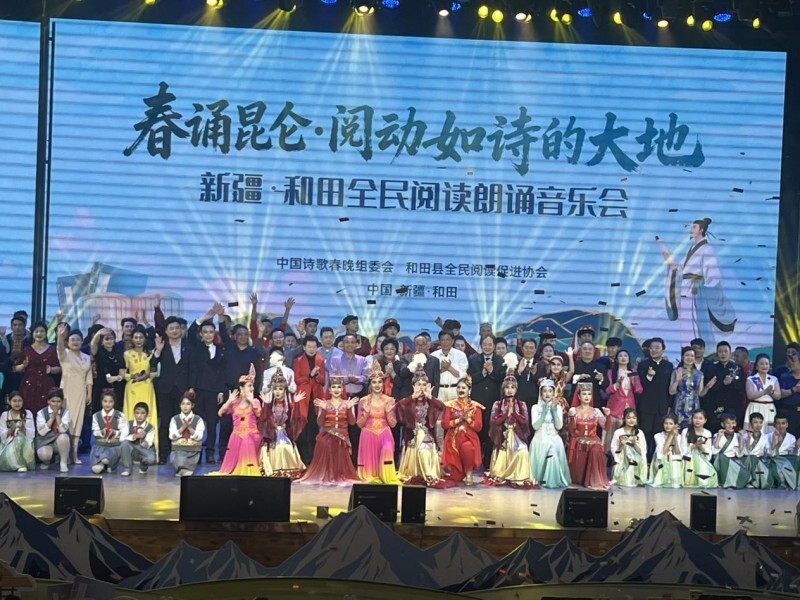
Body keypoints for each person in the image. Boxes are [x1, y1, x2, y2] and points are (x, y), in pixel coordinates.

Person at [661, 217, 737, 345]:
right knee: (686, 324)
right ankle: (686, 349)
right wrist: (665, 252)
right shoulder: (691, 248)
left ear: (701, 230)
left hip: (696, 290)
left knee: (697, 321)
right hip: (686, 288)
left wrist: (703, 287)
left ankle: (702, 348)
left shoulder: (707, 249)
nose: (691, 229)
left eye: (694, 227)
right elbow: (679, 268)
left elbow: (713, 275)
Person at [299, 375, 360, 485]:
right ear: (330, 390)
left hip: (342, 437)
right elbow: (319, 422)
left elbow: (352, 422)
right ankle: (327, 474)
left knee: (339, 445)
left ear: (342, 389)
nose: (336, 389)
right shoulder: (324, 403)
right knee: (325, 443)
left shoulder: (347, 403)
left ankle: (338, 475)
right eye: (334, 387)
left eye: (339, 387)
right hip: (327, 435)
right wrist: (324, 409)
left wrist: (350, 408)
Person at [219, 314, 262, 463]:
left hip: (246, 394)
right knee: (226, 424)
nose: (243, 337)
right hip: (230, 391)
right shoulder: (229, 349)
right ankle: (224, 455)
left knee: (246, 423)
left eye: (245, 334)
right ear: (234, 336)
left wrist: (253, 393)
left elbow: (257, 374)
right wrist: (220, 318)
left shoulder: (253, 352)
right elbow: (223, 335)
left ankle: (244, 455)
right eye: (240, 334)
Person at [188, 306, 227, 465]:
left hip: (213, 391)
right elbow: (190, 332)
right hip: (198, 390)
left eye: (211, 332)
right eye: (205, 332)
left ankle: (210, 453)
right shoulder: (196, 347)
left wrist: (221, 391)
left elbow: (222, 372)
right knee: (197, 423)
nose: (208, 335)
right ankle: (195, 453)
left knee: (212, 423)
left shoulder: (220, 349)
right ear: (201, 334)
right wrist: (205, 317)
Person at [151, 316, 191, 463]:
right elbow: (152, 364)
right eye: (171, 329)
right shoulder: (162, 345)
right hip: (165, 390)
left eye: (177, 328)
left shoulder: (188, 346)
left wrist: (191, 387)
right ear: (166, 332)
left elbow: (192, 368)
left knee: (182, 422)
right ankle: (163, 454)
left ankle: (180, 452)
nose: (175, 331)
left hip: (183, 390)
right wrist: (158, 351)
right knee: (165, 422)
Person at [484, 373, 534, 488]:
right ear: (503, 389)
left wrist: (514, 413)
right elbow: (493, 422)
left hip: (517, 435)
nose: (510, 390)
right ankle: (503, 474)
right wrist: (506, 414)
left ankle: (519, 476)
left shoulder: (522, 404)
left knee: (523, 452)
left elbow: (525, 422)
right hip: (503, 436)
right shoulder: (497, 404)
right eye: (507, 387)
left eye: (512, 387)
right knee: (503, 451)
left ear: (516, 390)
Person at [396, 369, 444, 486]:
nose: (421, 388)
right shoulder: (408, 402)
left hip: (427, 435)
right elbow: (398, 408)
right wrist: (412, 397)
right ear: (413, 386)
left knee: (424, 451)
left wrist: (431, 397)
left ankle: (429, 475)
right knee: (418, 443)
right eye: (419, 384)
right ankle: (422, 474)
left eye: (424, 385)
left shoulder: (430, 402)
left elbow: (442, 407)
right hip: (412, 436)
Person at [212, 369, 262, 476]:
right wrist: (229, 401)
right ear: (241, 388)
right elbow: (220, 413)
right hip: (237, 434)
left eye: (252, 386)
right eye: (249, 386)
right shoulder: (234, 403)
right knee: (236, 437)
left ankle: (248, 471)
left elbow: (259, 415)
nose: (252, 388)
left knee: (247, 440)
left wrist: (252, 401)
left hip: (251, 434)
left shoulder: (255, 401)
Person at [356, 362, 401, 484]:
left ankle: (386, 475)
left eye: (380, 382)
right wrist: (366, 413)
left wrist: (388, 412)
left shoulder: (389, 400)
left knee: (387, 450)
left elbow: (393, 425)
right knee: (370, 474)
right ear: (370, 384)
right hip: (368, 435)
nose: (377, 385)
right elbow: (359, 424)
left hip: (385, 434)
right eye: (374, 382)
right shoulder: (363, 400)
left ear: (383, 384)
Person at [55, 323, 93, 465]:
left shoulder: (86, 357)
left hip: (81, 393)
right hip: (67, 392)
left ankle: (74, 454)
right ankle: (64, 454)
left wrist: (89, 393)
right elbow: (59, 348)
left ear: (82, 341)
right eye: (72, 340)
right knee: (67, 421)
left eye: (78, 339)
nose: (75, 342)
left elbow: (89, 377)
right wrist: (60, 336)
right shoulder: (65, 354)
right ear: (68, 342)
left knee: (78, 423)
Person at [260, 369, 306, 478]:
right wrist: (266, 406)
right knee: (276, 447)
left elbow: (295, 420)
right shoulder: (269, 404)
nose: (277, 392)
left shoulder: (288, 405)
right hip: (272, 434)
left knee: (285, 447)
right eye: (275, 389)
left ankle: (288, 469)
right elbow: (263, 420)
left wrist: (296, 404)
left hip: (285, 434)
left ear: (285, 390)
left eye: (280, 389)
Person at [467, 335, 504, 467]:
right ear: (481, 345)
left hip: (493, 401)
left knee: (490, 431)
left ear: (494, 346)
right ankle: (475, 462)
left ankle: (488, 463)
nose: (487, 347)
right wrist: (483, 372)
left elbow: (502, 378)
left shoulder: (500, 360)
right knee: (477, 430)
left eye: (490, 344)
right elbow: (471, 378)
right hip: (478, 400)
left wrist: (492, 371)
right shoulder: (473, 359)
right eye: (485, 344)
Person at [567, 382, 611, 490]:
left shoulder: (596, 411)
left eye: (589, 394)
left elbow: (606, 427)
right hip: (579, 442)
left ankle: (594, 480)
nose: (587, 396)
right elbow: (572, 431)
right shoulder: (574, 411)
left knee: (596, 449)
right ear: (579, 396)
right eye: (584, 394)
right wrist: (572, 418)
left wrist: (608, 415)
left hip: (593, 440)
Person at [122, 325, 158, 455]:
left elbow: (156, 372)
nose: (138, 340)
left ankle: (149, 450)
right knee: (132, 416)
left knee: (148, 416)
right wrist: (132, 376)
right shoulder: (126, 354)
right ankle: (130, 452)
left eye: (141, 337)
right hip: (132, 389)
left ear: (145, 339)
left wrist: (147, 376)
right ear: (132, 339)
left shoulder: (150, 354)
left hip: (147, 388)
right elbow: (123, 374)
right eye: (136, 337)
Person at [441, 377, 483, 485]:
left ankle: (469, 473)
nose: (461, 390)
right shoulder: (450, 405)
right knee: (456, 478)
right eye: (458, 387)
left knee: (467, 447)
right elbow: (444, 424)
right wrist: (458, 420)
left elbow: (478, 427)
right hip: (453, 440)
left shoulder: (475, 407)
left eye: (463, 388)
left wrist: (468, 419)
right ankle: (459, 471)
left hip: (469, 438)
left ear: (469, 390)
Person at [529, 379, 571, 488]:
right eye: (544, 391)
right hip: (540, 440)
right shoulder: (535, 408)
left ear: (553, 393)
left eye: (550, 391)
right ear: (541, 393)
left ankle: (551, 481)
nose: (547, 394)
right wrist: (543, 413)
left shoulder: (558, 407)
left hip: (554, 439)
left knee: (552, 454)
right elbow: (535, 426)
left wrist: (554, 412)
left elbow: (559, 426)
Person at [637, 337, 673, 460]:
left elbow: (669, 388)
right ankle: (644, 460)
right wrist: (649, 376)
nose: (654, 350)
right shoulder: (643, 364)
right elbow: (642, 385)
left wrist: (669, 405)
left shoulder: (668, 365)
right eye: (652, 348)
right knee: (645, 434)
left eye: (657, 348)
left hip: (662, 407)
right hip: (646, 407)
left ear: (663, 350)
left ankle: (656, 461)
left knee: (658, 436)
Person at [15, 320, 60, 415]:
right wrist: (23, 366)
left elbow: (59, 368)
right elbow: (15, 368)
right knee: (28, 412)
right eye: (36, 331)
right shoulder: (26, 349)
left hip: (46, 385)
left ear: (46, 333)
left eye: (42, 331)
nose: (39, 334)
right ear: (32, 334)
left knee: (46, 412)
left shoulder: (52, 350)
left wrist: (52, 369)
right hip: (28, 386)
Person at [293, 335, 325, 464]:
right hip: (303, 397)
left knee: (313, 427)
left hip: (315, 397)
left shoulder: (320, 360)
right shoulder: (298, 360)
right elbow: (297, 379)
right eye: (309, 346)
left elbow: (322, 380)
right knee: (302, 427)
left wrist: (316, 376)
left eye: (314, 347)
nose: (311, 349)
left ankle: (312, 459)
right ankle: (302, 458)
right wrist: (309, 375)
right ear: (304, 347)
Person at [702, 341, 746, 433]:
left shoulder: (737, 368)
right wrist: (723, 383)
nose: (723, 354)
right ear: (717, 353)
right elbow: (708, 387)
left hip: (733, 405)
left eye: (726, 351)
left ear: (730, 353)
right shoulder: (710, 368)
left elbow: (742, 387)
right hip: (715, 405)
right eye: (720, 351)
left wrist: (732, 382)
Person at [604, 350, 642, 453]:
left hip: (629, 407)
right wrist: (616, 385)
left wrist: (634, 381)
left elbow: (639, 390)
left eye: (625, 355)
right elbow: (607, 390)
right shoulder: (612, 372)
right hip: (615, 407)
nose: (623, 358)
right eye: (620, 356)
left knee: (629, 432)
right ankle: (611, 455)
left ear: (629, 359)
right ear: (617, 359)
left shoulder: (633, 372)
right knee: (612, 434)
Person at [89, 390, 128, 475]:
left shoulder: (120, 415)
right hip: (100, 445)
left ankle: (106, 463)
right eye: (105, 401)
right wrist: (101, 432)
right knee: (96, 469)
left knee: (108, 456)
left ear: (114, 402)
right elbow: (95, 432)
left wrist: (114, 432)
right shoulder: (96, 416)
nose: (107, 404)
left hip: (114, 446)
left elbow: (124, 432)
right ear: (101, 402)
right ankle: (102, 464)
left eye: (110, 401)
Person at [168, 391, 206, 477]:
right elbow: (171, 436)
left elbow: (199, 436)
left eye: (188, 404)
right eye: (183, 404)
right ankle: (182, 469)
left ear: (192, 405)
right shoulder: (174, 419)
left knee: (183, 469)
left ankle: (183, 470)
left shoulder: (198, 419)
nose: (185, 406)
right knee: (180, 460)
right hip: (178, 449)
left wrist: (189, 427)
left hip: (192, 450)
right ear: (180, 405)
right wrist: (182, 428)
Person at [609, 408, 648, 487]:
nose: (631, 420)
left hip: (636, 458)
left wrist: (635, 444)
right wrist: (622, 445)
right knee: (626, 450)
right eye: (629, 418)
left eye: (634, 418)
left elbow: (643, 451)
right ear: (624, 419)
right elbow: (614, 450)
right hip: (622, 459)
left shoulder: (640, 433)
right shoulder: (618, 432)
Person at [89, 328, 125, 412]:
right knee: (99, 412)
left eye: (111, 339)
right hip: (101, 386)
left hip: (116, 387)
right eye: (106, 339)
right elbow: (93, 344)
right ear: (102, 342)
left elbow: (122, 371)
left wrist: (117, 378)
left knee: (115, 412)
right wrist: (98, 333)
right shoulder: (98, 352)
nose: (109, 341)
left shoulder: (119, 354)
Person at [35, 388, 70, 472]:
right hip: (45, 440)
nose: (56, 404)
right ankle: (46, 462)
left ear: (62, 402)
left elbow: (63, 430)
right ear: (48, 401)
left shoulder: (65, 412)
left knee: (64, 437)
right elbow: (41, 432)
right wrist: (51, 418)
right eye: (53, 401)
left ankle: (63, 463)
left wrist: (57, 416)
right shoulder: (41, 413)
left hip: (59, 439)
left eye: (58, 401)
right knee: (44, 455)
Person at [670, 347, 705, 430]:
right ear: (682, 357)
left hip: (694, 404)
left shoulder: (699, 374)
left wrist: (707, 387)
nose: (689, 358)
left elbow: (700, 394)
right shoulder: (676, 371)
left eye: (692, 356)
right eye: (687, 355)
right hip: (679, 404)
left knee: (692, 429)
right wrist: (677, 380)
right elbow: (671, 392)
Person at [681, 409, 718, 488]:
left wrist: (701, 447)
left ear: (705, 420)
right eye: (695, 418)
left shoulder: (707, 433)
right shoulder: (685, 431)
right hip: (687, 458)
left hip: (701, 458)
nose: (697, 420)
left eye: (700, 418)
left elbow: (709, 452)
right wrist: (694, 446)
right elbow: (682, 450)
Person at [745, 353, 781, 432]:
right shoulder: (751, 379)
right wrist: (764, 392)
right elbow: (750, 395)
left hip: (770, 408)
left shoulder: (773, 379)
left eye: (767, 364)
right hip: (755, 407)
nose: (764, 366)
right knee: (754, 431)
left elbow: (778, 396)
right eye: (761, 364)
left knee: (770, 431)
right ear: (756, 366)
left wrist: (771, 392)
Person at [0, 390, 35, 472]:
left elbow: (32, 434)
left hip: (25, 444)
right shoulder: (5, 415)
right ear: (9, 402)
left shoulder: (28, 413)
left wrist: (23, 429)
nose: (17, 403)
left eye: (19, 400)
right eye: (14, 401)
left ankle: (20, 465)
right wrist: (11, 430)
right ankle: (18, 465)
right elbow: (2, 435)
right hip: (7, 444)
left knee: (19, 438)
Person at [711, 412, 748, 488]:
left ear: (735, 424)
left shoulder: (738, 436)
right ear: (722, 424)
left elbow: (740, 453)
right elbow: (714, 451)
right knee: (721, 456)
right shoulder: (717, 435)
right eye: (728, 423)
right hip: (720, 460)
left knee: (745, 474)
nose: (730, 425)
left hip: (732, 461)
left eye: (733, 423)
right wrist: (719, 436)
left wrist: (741, 437)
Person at [120, 401, 157, 476]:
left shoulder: (150, 428)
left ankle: (143, 467)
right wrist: (134, 436)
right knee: (124, 443)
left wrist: (142, 438)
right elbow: (121, 438)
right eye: (137, 413)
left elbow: (148, 444)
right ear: (134, 414)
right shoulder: (128, 424)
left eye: (142, 413)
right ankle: (127, 469)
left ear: (147, 414)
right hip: (132, 449)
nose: (139, 416)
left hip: (143, 450)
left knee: (151, 459)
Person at [648, 415, 684, 488]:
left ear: (675, 425)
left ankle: (674, 479)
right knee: (666, 458)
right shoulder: (657, 436)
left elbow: (678, 453)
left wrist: (675, 437)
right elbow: (663, 451)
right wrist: (671, 435)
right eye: (666, 423)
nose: (668, 426)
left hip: (674, 459)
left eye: (671, 424)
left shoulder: (679, 436)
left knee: (676, 459)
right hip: (661, 459)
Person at [764, 413, 797, 489]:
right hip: (772, 463)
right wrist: (776, 444)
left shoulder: (791, 438)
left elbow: (793, 456)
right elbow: (767, 456)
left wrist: (797, 447)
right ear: (774, 425)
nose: (781, 426)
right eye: (778, 423)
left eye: (783, 423)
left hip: (786, 464)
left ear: (787, 424)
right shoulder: (767, 437)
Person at [741, 412, 769, 488]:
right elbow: (745, 452)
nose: (758, 425)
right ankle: (752, 481)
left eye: (760, 422)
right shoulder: (744, 436)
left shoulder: (765, 437)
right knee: (752, 458)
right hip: (747, 461)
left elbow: (767, 452)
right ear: (750, 424)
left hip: (760, 461)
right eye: (755, 422)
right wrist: (749, 438)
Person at [779, 351, 800, 437]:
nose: (790, 363)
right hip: (789, 413)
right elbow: (780, 394)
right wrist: (794, 389)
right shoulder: (785, 376)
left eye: (793, 361)